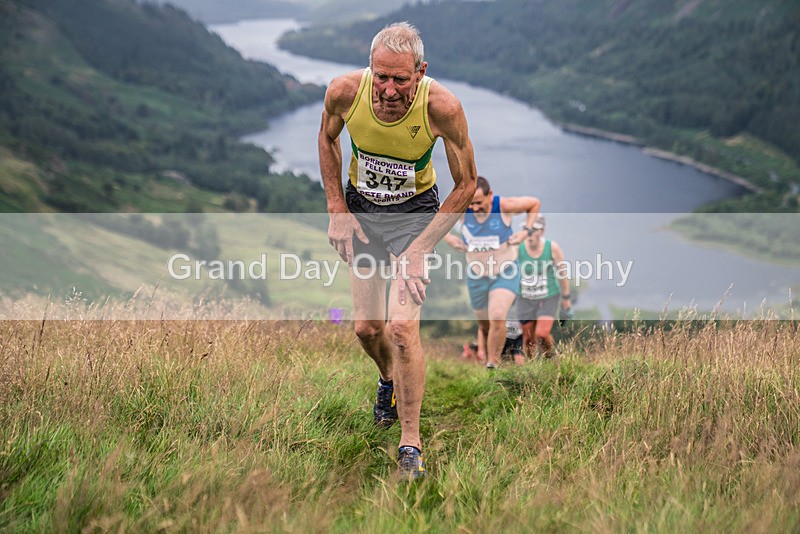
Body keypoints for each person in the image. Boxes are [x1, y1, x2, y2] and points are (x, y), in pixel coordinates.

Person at [318, 22, 477, 480]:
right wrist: (336, 206)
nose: (389, 90)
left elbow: (466, 184)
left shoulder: (442, 108)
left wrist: (422, 247)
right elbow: (327, 139)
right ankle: (387, 380)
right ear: (371, 69)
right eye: (381, 76)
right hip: (364, 215)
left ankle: (410, 443)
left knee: (402, 328)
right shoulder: (344, 92)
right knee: (368, 329)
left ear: (420, 72)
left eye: (401, 80)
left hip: (414, 218)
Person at [443, 176, 540, 369]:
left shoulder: (503, 206)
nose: (475, 208)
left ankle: (492, 365)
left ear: (490, 195)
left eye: (478, 202)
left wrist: (525, 232)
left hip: (505, 271)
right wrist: (450, 239)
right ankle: (489, 358)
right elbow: (437, 219)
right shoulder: (464, 208)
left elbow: (534, 204)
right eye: (471, 203)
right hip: (477, 275)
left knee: (497, 315)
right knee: (485, 325)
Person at [514, 215, 572, 359]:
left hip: (548, 296)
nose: (530, 234)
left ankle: (550, 358)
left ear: (542, 231)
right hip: (525, 296)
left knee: (541, 334)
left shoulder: (552, 248)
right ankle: (532, 368)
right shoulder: (517, 247)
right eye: (526, 230)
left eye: (534, 230)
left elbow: (562, 274)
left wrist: (566, 298)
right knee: (528, 339)